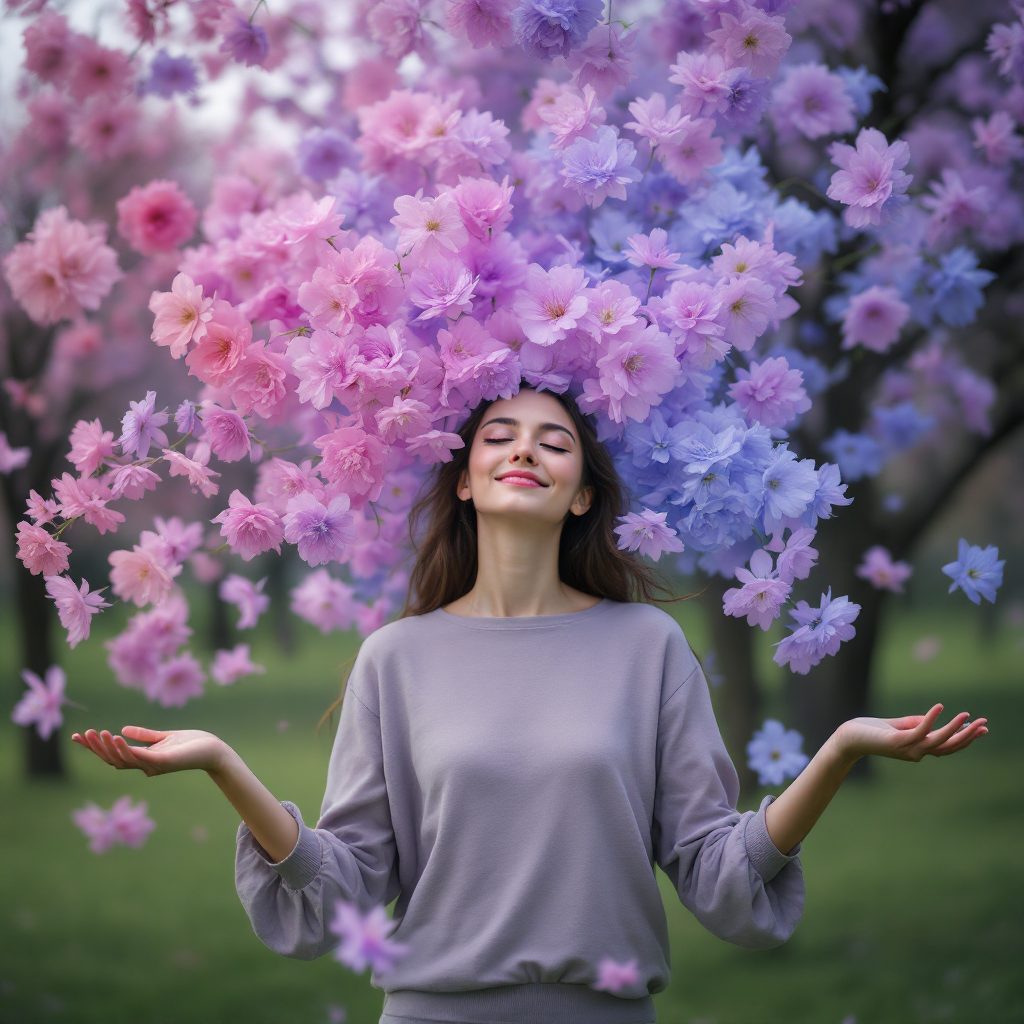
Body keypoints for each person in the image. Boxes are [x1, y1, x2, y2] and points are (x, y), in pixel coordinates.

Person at [73, 383, 987, 1024]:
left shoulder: (648, 647)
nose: (525, 449)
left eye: (555, 441)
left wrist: (835, 755)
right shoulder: (395, 658)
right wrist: (226, 767)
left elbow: (716, 876)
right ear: (464, 479)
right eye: (499, 435)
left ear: (582, 492)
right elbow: (342, 888)